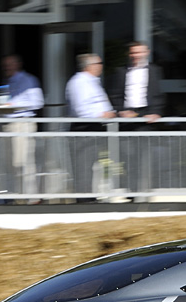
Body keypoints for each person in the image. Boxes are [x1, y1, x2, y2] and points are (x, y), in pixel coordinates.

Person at [109, 41, 165, 193]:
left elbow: (158, 94)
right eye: (133, 52)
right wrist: (121, 111)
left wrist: (156, 112)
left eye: (139, 52)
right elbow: (116, 95)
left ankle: (146, 190)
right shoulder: (121, 71)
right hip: (127, 118)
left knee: (146, 157)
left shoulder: (155, 70)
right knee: (128, 157)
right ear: (129, 54)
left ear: (147, 52)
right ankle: (132, 191)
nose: (136, 56)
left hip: (147, 117)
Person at [66, 53, 116, 193]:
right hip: (84, 129)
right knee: (82, 166)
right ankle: (84, 200)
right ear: (89, 66)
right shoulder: (79, 82)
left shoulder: (92, 81)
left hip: (95, 128)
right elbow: (81, 110)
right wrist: (103, 115)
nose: (101, 67)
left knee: (91, 165)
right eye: (99, 64)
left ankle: (91, 196)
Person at [1, 54, 45, 198]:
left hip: (22, 124)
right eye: (5, 65)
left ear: (18, 64)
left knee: (24, 161)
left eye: (10, 64)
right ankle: (16, 195)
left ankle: (30, 196)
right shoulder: (8, 82)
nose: (7, 67)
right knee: (11, 163)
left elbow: (38, 102)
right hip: (9, 125)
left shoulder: (28, 80)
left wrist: (13, 105)